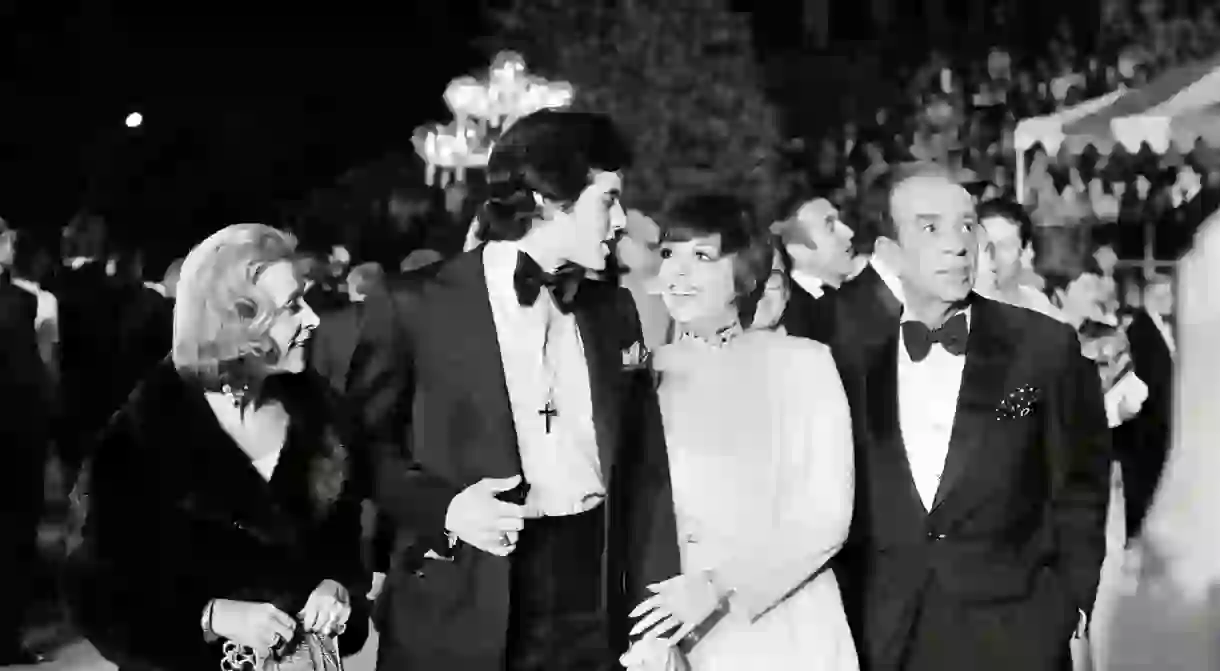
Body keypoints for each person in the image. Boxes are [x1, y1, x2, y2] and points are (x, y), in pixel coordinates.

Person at [353, 109, 680, 671]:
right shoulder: (415, 303)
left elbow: (646, 469)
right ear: (548, 200)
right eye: (608, 199)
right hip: (462, 589)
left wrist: (652, 616)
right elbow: (358, 447)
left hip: (590, 586)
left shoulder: (615, 309)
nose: (622, 219)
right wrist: (447, 508)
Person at [825, 163, 1110, 671]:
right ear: (888, 253)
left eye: (966, 225)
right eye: (930, 227)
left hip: (1017, 632)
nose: (957, 243)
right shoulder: (845, 353)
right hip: (887, 633)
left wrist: (1070, 597)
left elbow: (1081, 481)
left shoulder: (1041, 346)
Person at [68, 224, 369, 671]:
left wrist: (338, 590)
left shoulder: (327, 424)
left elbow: (347, 558)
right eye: (291, 306)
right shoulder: (137, 442)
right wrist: (211, 617)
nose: (312, 318)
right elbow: (100, 597)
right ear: (237, 320)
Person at [624, 194, 857, 670]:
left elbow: (826, 517)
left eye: (702, 257)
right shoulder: (640, 377)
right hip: (672, 642)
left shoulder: (802, 363)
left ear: (744, 273)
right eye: (669, 255)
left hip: (782, 631)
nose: (678, 273)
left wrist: (717, 586)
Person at [0, 218, 51, 665]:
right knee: (14, 537)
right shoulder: (17, 303)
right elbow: (28, 378)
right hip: (15, 438)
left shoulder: (19, 301)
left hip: (17, 437)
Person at [973, 198, 1064, 321]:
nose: (992, 258)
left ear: (1026, 252)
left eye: (1004, 246)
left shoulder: (1039, 307)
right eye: (983, 246)